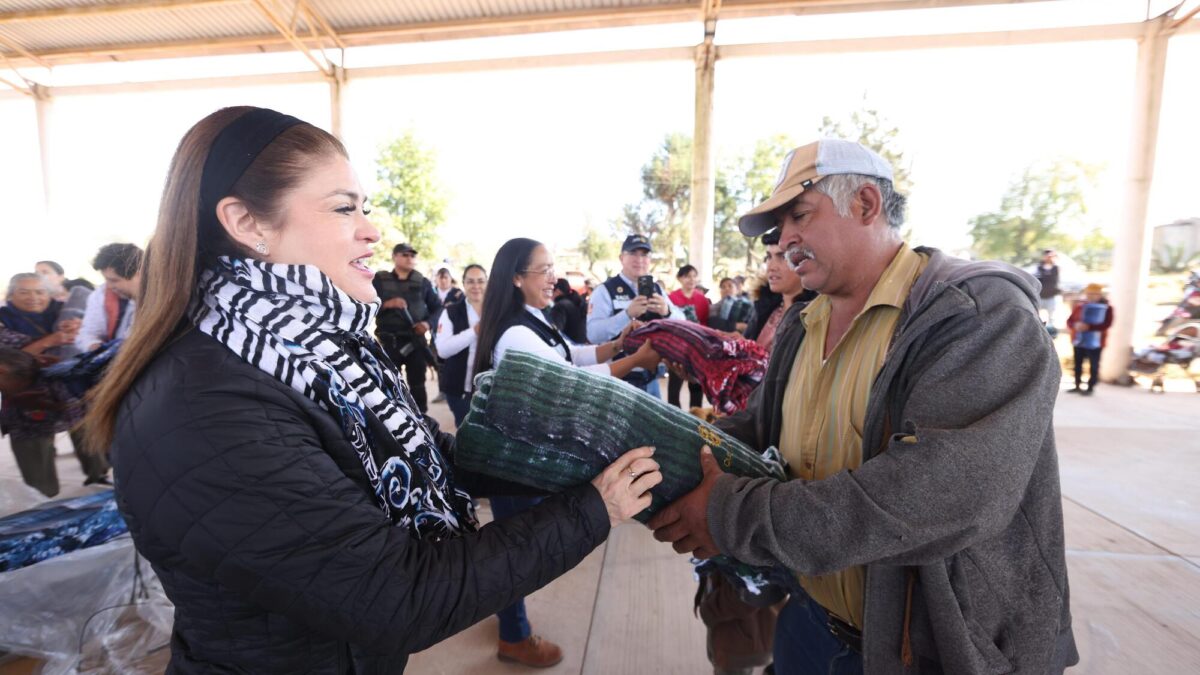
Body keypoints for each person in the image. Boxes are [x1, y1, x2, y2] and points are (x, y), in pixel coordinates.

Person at [84, 107, 662, 675]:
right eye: (344, 208)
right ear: (247, 223)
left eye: (365, 208)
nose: (372, 231)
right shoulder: (206, 406)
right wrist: (593, 509)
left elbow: (429, 456)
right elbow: (396, 596)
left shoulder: (317, 351)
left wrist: (579, 466)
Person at [648, 139, 1077, 674]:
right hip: (809, 621)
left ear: (866, 204)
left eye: (799, 216)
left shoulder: (979, 316)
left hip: (929, 650)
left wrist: (730, 514)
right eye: (778, 227)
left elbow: (939, 495)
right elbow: (760, 427)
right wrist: (660, 454)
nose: (784, 239)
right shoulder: (804, 323)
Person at [471, 237, 661, 667]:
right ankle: (513, 636)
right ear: (516, 278)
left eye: (553, 269)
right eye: (544, 270)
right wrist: (635, 361)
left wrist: (618, 346)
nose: (553, 278)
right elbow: (574, 380)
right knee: (519, 551)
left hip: (525, 458)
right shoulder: (516, 332)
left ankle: (504, 615)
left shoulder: (534, 318)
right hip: (515, 464)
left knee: (517, 543)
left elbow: (571, 354)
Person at [1, 273, 88, 495]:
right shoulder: (4, 319)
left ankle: (98, 476)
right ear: (11, 295)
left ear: (50, 295)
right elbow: (8, 360)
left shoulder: (65, 312)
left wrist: (78, 327)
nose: (33, 297)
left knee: (89, 439)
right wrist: (52, 340)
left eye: (40, 292)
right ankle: (43, 498)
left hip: (69, 393)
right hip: (27, 399)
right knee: (35, 456)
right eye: (24, 292)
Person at [586, 234, 683, 396]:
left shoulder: (657, 290)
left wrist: (667, 312)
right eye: (633, 253)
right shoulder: (604, 291)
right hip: (617, 380)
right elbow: (593, 334)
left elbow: (683, 322)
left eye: (644, 254)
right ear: (621, 258)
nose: (639, 260)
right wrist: (626, 315)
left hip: (651, 379)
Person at [373, 243, 442, 412]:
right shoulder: (379, 281)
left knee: (418, 385)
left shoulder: (422, 282)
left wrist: (427, 324)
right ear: (394, 257)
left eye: (412, 255)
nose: (409, 258)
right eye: (405, 255)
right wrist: (387, 304)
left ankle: (422, 418)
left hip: (415, 342)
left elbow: (438, 308)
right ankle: (393, 417)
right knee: (389, 384)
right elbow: (365, 304)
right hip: (389, 342)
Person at [433, 264, 487, 426]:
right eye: (470, 281)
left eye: (480, 281)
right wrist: (475, 331)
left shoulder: (497, 312)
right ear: (463, 284)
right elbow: (443, 350)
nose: (476, 286)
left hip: (490, 391)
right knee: (465, 432)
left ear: (487, 283)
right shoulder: (451, 311)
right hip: (459, 390)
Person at [743, 230, 813, 353]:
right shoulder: (764, 308)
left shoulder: (818, 314)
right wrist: (741, 345)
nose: (771, 267)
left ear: (805, 261)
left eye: (782, 257)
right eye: (769, 257)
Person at [77, 243, 142, 352]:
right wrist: (96, 348)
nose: (110, 286)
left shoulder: (157, 301)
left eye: (114, 280)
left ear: (138, 274)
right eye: (106, 280)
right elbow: (88, 333)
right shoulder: (101, 294)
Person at [667, 264, 710, 408]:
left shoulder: (702, 299)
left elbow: (705, 324)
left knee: (697, 387)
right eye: (687, 276)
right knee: (674, 387)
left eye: (693, 276)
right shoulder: (671, 297)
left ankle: (695, 417)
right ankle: (674, 417)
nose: (691, 279)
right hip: (676, 348)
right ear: (679, 278)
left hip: (697, 349)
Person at [1067, 282, 1114, 396]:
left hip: (1096, 342)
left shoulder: (1107, 308)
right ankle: (1077, 385)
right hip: (1079, 340)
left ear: (1099, 295)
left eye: (1094, 294)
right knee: (1077, 364)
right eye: (1089, 293)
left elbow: (1107, 324)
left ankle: (1090, 387)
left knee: (1093, 365)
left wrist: (1089, 327)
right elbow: (1070, 321)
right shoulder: (1080, 306)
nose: (1091, 296)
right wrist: (1075, 325)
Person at [549, 277, 588, 345]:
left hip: (570, 346)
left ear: (557, 291)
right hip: (583, 345)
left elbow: (555, 332)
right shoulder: (579, 302)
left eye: (550, 290)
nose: (549, 294)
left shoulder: (560, 306)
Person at [1033, 248, 1061, 334]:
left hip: (1052, 296)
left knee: (1052, 317)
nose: (1049, 258)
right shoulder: (1038, 268)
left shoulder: (1056, 268)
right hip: (1040, 296)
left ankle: (1052, 332)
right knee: (1036, 315)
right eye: (1048, 256)